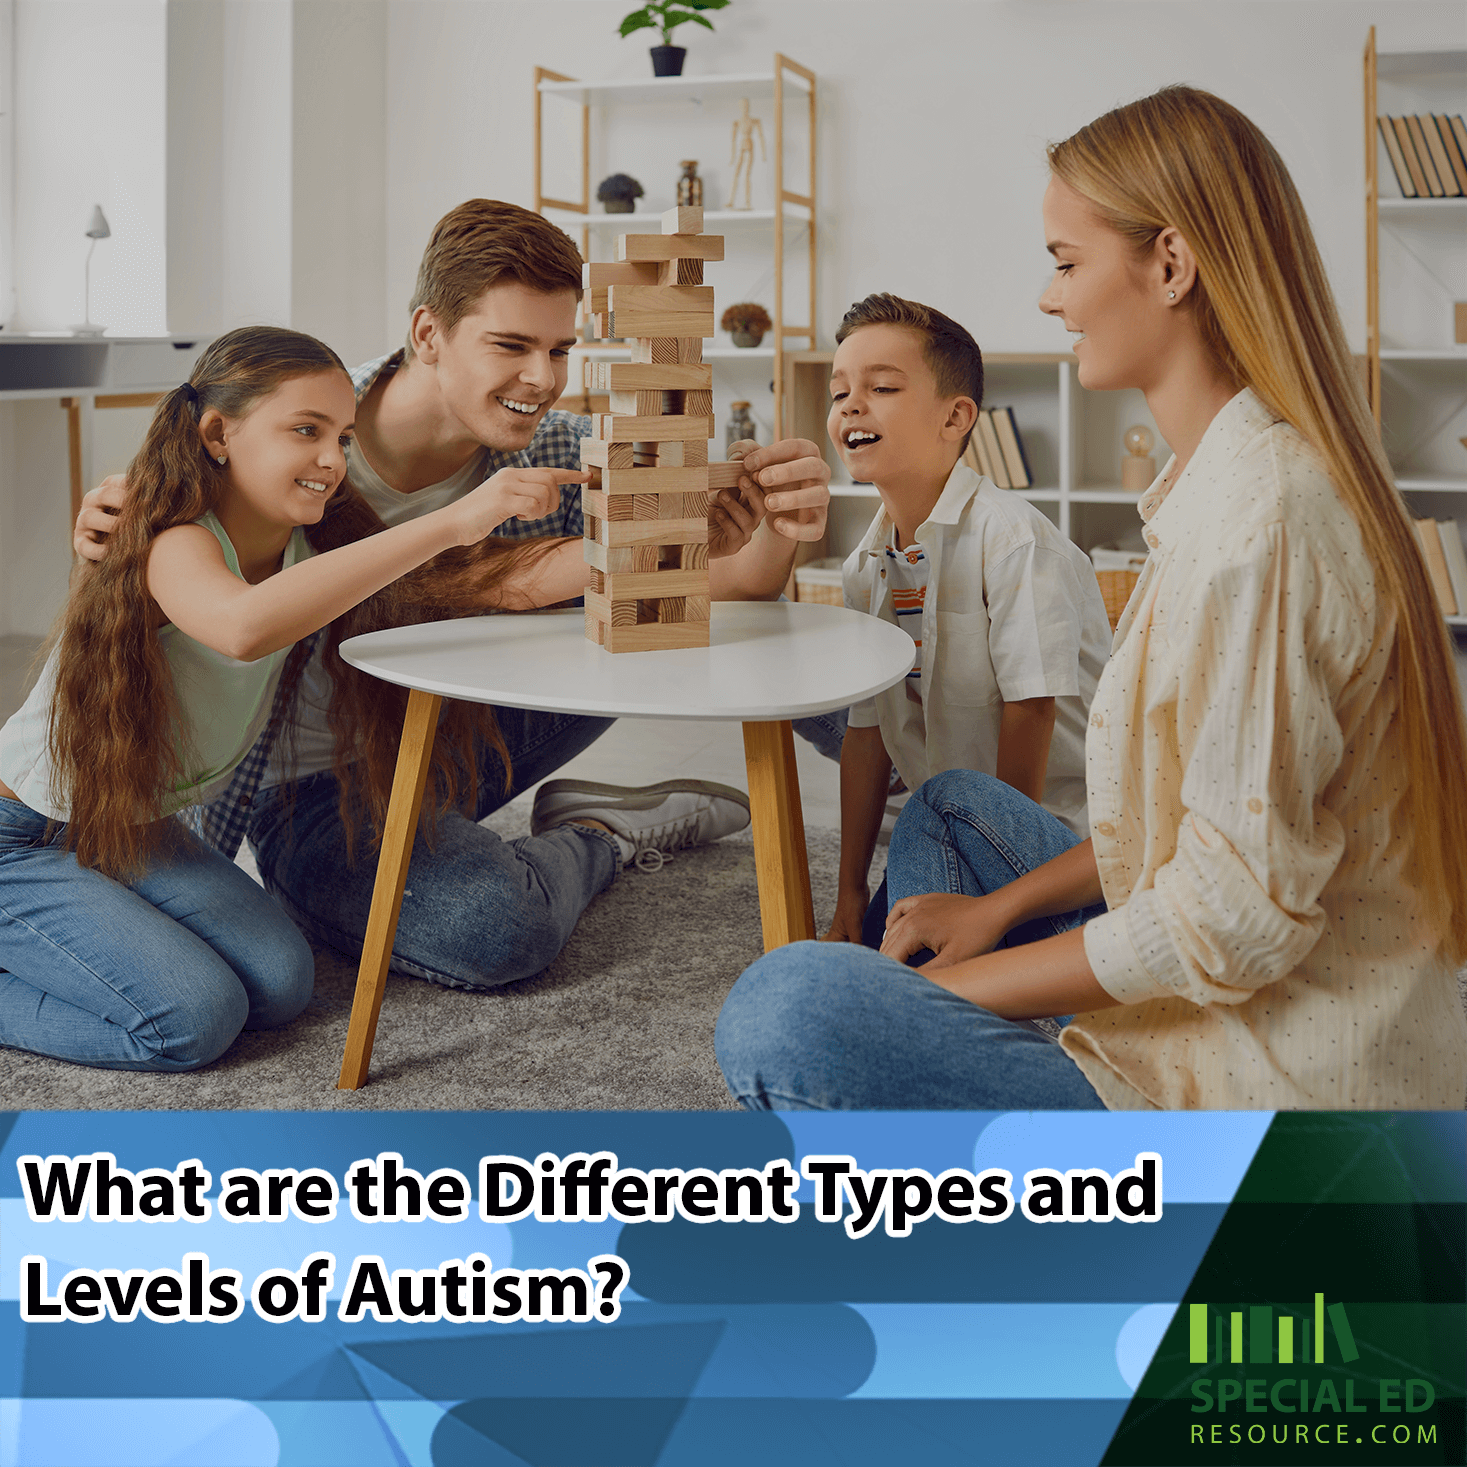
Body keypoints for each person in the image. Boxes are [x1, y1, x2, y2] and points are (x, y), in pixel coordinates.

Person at [716, 85, 1467, 1112]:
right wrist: (985, 921)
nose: (1047, 297)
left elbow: (1230, 916)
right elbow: (1173, 838)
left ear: (1170, 264)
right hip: (1207, 989)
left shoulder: (1266, 524)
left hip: (1254, 1089)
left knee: (790, 1009)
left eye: (1066, 262)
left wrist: (945, 993)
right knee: (949, 816)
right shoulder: (1219, 491)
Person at [73, 200, 833, 993]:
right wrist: (114, 537)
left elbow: (733, 584)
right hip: (309, 786)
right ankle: (598, 833)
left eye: (560, 348)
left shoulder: (561, 453)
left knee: (685, 628)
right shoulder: (290, 442)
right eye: (510, 344)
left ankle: (895, 779)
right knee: (496, 925)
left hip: (458, 737)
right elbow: (171, 575)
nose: (542, 378)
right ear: (428, 334)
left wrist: (780, 514)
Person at [0, 326, 579, 1070]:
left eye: (341, 435)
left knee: (280, 985)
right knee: (189, 1020)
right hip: (22, 835)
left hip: (124, 827)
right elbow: (242, 625)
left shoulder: (316, 546)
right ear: (217, 432)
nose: (332, 460)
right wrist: (452, 521)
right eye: (305, 431)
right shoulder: (175, 541)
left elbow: (489, 581)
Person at [820, 293, 1110, 952]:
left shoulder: (1012, 541)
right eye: (839, 393)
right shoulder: (866, 568)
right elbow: (865, 740)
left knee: (933, 827)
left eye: (882, 387)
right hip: (944, 820)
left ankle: (1017, 947)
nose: (850, 406)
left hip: (1050, 838)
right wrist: (849, 893)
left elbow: (1030, 711)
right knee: (877, 945)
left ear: (955, 417)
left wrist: (996, 893)